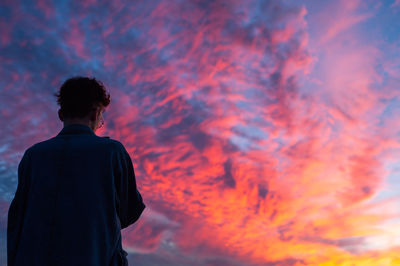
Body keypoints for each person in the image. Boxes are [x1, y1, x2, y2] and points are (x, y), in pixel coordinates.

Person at [7, 76, 145, 266]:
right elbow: (130, 210)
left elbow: (17, 219)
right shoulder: (112, 152)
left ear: (61, 114)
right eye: (102, 116)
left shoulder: (33, 155)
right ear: (96, 113)